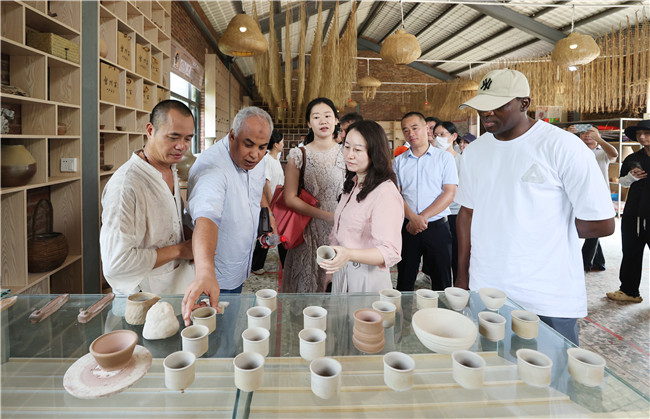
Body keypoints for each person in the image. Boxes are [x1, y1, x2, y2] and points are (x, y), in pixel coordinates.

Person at [455, 69, 615, 345]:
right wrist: (462, 276)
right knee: (494, 378)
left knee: (551, 381)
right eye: (483, 107)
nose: (487, 113)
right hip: (488, 289)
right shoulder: (475, 151)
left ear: (524, 103)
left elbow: (602, 222)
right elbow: (467, 212)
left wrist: (539, 227)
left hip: (546, 294)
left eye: (498, 106)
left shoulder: (561, 146)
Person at [182, 106, 274, 325]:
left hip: (240, 261)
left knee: (229, 325)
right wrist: (205, 271)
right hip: (215, 275)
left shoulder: (255, 159)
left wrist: (267, 211)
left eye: (263, 147)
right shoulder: (213, 167)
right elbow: (206, 217)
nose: (255, 154)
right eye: (248, 144)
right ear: (232, 135)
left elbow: (257, 186)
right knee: (216, 336)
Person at [100, 100, 195, 296]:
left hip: (175, 287)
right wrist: (180, 250)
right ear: (150, 130)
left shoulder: (169, 168)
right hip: (142, 297)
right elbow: (116, 264)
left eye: (188, 138)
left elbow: (172, 223)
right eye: (173, 137)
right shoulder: (126, 186)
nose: (181, 146)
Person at [318, 120, 403, 293]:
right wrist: (332, 271)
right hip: (342, 270)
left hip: (367, 278)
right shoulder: (353, 183)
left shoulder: (384, 192)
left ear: (375, 153)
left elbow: (390, 251)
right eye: (346, 147)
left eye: (357, 150)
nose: (349, 155)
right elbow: (338, 229)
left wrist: (349, 254)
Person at [280, 97, 346, 293]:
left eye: (328, 116)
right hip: (306, 230)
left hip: (341, 228)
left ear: (336, 120)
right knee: (308, 285)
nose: (323, 121)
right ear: (309, 123)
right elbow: (289, 198)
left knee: (337, 285)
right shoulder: (298, 155)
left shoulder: (347, 152)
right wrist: (326, 215)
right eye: (316, 117)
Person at [393, 112, 458, 292]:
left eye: (415, 128)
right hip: (408, 228)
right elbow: (396, 196)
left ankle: (443, 318)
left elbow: (449, 192)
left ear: (426, 129)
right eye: (406, 130)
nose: (411, 133)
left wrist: (421, 218)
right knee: (405, 279)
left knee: (442, 281)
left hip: (437, 227)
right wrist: (412, 218)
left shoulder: (444, 158)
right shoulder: (398, 162)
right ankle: (403, 317)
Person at [607, 119, 650, 303]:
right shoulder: (633, 158)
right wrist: (631, 177)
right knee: (631, 251)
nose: (642, 137)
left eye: (646, 133)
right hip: (633, 213)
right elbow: (622, 183)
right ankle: (629, 291)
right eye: (639, 134)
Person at [573, 125, 619, 272]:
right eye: (583, 133)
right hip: (580, 193)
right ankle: (599, 262)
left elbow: (614, 154)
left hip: (599, 194)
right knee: (589, 226)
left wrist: (599, 139)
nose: (587, 135)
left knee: (595, 226)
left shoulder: (602, 152)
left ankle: (584, 263)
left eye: (590, 133)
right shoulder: (576, 150)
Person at [252, 129, 286, 274]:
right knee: (268, 232)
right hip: (271, 203)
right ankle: (256, 265)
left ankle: (260, 264)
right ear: (276, 144)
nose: (284, 144)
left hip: (278, 202)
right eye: (282, 141)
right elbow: (266, 182)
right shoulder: (267, 160)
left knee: (273, 233)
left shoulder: (275, 159)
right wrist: (270, 205)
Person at [433, 121, 462, 284]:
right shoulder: (434, 160)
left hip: (455, 214)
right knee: (441, 257)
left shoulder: (461, 161)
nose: (439, 139)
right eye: (436, 135)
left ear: (453, 137)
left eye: (443, 135)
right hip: (437, 214)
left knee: (457, 255)